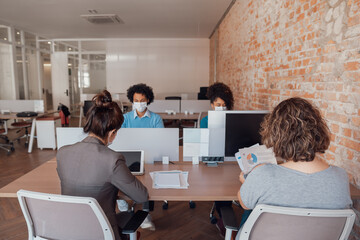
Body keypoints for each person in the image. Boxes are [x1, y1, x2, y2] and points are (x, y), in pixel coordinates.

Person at [238, 97, 352, 225]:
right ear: (318, 131)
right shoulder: (340, 177)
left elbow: (244, 204)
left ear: (276, 135)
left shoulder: (262, 174)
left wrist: (246, 182)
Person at [57, 90, 149, 240]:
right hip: (102, 232)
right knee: (126, 216)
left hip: (69, 230)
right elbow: (141, 196)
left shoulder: (62, 153)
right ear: (112, 132)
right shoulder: (113, 159)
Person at [121, 83, 163, 230]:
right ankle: (123, 205)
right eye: (136, 100)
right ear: (132, 101)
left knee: (147, 180)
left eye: (142, 100)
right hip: (129, 157)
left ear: (148, 100)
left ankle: (145, 213)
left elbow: (160, 140)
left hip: (149, 155)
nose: (139, 103)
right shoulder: (125, 118)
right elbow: (121, 140)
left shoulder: (156, 119)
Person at [199, 82, 235, 236]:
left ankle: (227, 217)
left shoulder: (233, 119)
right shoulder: (205, 121)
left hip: (231, 159)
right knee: (222, 185)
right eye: (218, 104)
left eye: (224, 104)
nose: (221, 107)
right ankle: (224, 220)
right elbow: (204, 145)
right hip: (214, 159)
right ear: (212, 105)